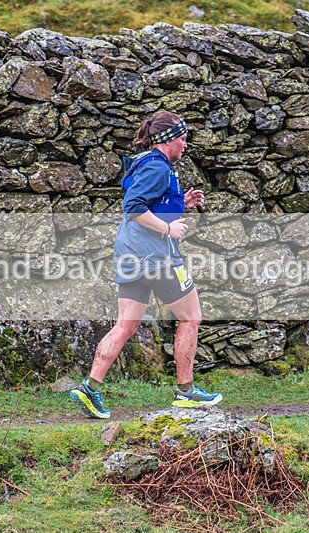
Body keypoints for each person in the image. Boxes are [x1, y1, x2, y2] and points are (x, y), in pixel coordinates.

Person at [70, 111, 222, 419]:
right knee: (191, 317)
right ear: (167, 139)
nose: (185, 145)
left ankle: (90, 388)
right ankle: (186, 392)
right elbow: (133, 207)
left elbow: (149, 203)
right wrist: (168, 228)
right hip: (157, 258)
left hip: (129, 256)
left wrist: (181, 203)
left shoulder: (145, 163)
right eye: (182, 139)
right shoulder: (157, 167)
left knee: (125, 325)